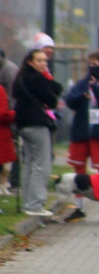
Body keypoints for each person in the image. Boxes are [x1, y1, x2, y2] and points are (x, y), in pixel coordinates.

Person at [63, 50, 99, 221]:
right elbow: (70, 101)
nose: (92, 67)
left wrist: (95, 88)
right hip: (81, 131)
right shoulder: (82, 83)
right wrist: (82, 96)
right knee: (78, 168)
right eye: (90, 64)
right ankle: (80, 207)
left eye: (96, 64)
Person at [12, 49, 62, 216]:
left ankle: (28, 202)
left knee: (30, 164)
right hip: (37, 123)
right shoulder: (36, 78)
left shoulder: (21, 78)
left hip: (23, 124)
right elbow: (52, 98)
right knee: (41, 164)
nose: (43, 64)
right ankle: (35, 204)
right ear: (30, 62)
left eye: (45, 61)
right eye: (39, 60)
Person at [0, 80, 16, 197]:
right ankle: (2, 185)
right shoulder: (1, 90)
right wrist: (15, 114)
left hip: (4, 133)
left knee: (6, 165)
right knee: (5, 165)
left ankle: (3, 184)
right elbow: (2, 115)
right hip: (2, 132)